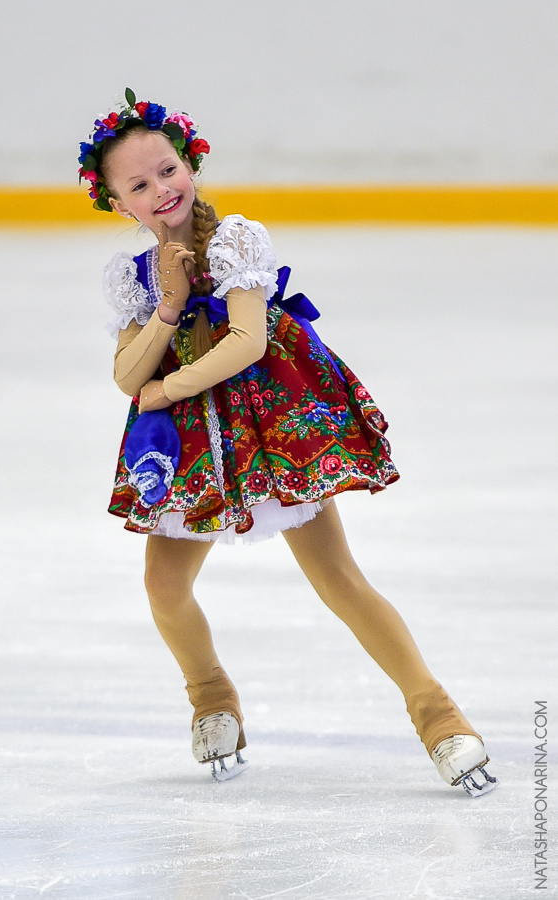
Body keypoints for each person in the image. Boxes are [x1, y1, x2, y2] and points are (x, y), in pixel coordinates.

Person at [78, 89, 497, 794]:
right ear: (117, 203)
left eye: (169, 170)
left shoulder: (235, 238)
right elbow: (127, 374)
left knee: (337, 579)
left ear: (191, 164)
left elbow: (245, 342)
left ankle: (440, 718)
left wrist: (168, 388)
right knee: (162, 586)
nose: (161, 189)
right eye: (139, 184)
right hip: (193, 449)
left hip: (270, 430)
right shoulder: (136, 276)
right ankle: (211, 697)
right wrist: (171, 307)